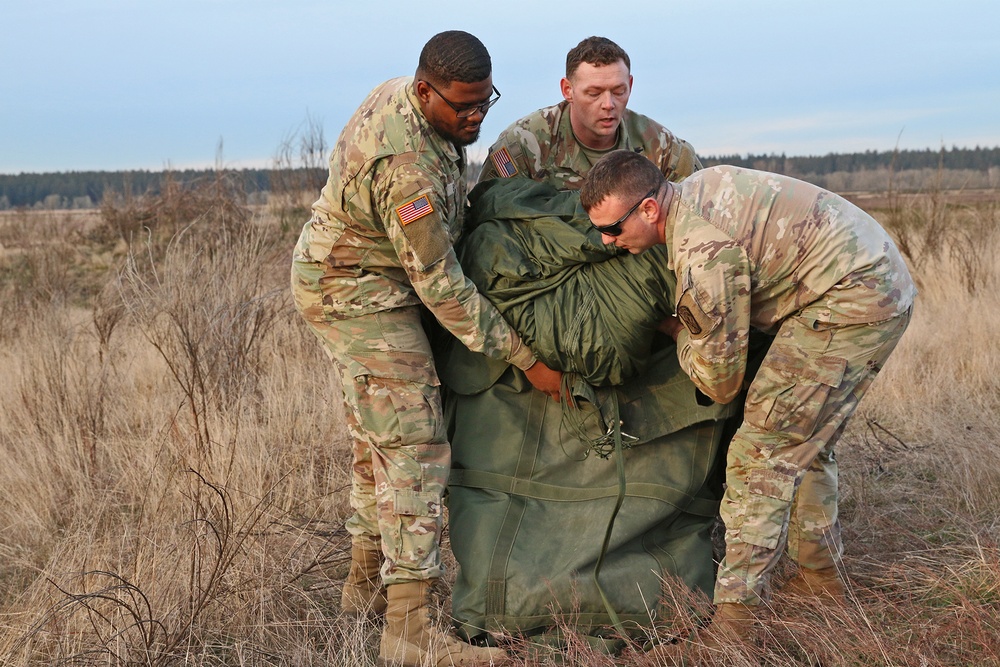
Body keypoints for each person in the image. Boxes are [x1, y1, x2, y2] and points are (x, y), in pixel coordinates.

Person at [290, 30, 561, 667]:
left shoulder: (427, 108)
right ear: (423, 91)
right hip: (354, 289)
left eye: (484, 104)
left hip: (372, 276)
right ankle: (408, 636)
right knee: (413, 441)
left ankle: (361, 589)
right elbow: (440, 284)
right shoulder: (403, 164)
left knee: (375, 436)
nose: (474, 118)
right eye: (461, 108)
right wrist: (527, 358)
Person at [580, 150, 915, 657]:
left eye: (613, 228)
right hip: (867, 278)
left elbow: (719, 382)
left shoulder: (704, 256)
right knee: (804, 443)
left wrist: (676, 330)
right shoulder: (694, 190)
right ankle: (820, 584)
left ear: (649, 210)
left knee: (761, 452)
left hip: (854, 300)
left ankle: (734, 627)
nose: (608, 241)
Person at [477, 36, 701, 190]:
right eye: (594, 93)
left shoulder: (662, 148)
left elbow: (700, 214)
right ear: (568, 90)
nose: (608, 104)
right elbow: (489, 218)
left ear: (630, 85)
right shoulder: (524, 144)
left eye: (619, 91)